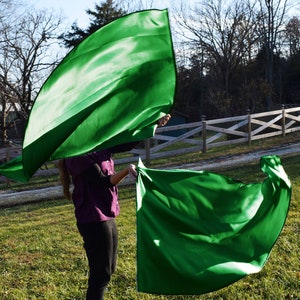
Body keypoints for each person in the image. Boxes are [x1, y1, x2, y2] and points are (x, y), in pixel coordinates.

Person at [58, 114, 171, 300]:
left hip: (106, 215)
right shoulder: (77, 155)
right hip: (93, 218)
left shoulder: (96, 145)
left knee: (109, 269)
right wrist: (126, 171)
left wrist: (154, 124)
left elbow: (126, 144)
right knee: (100, 274)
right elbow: (102, 182)